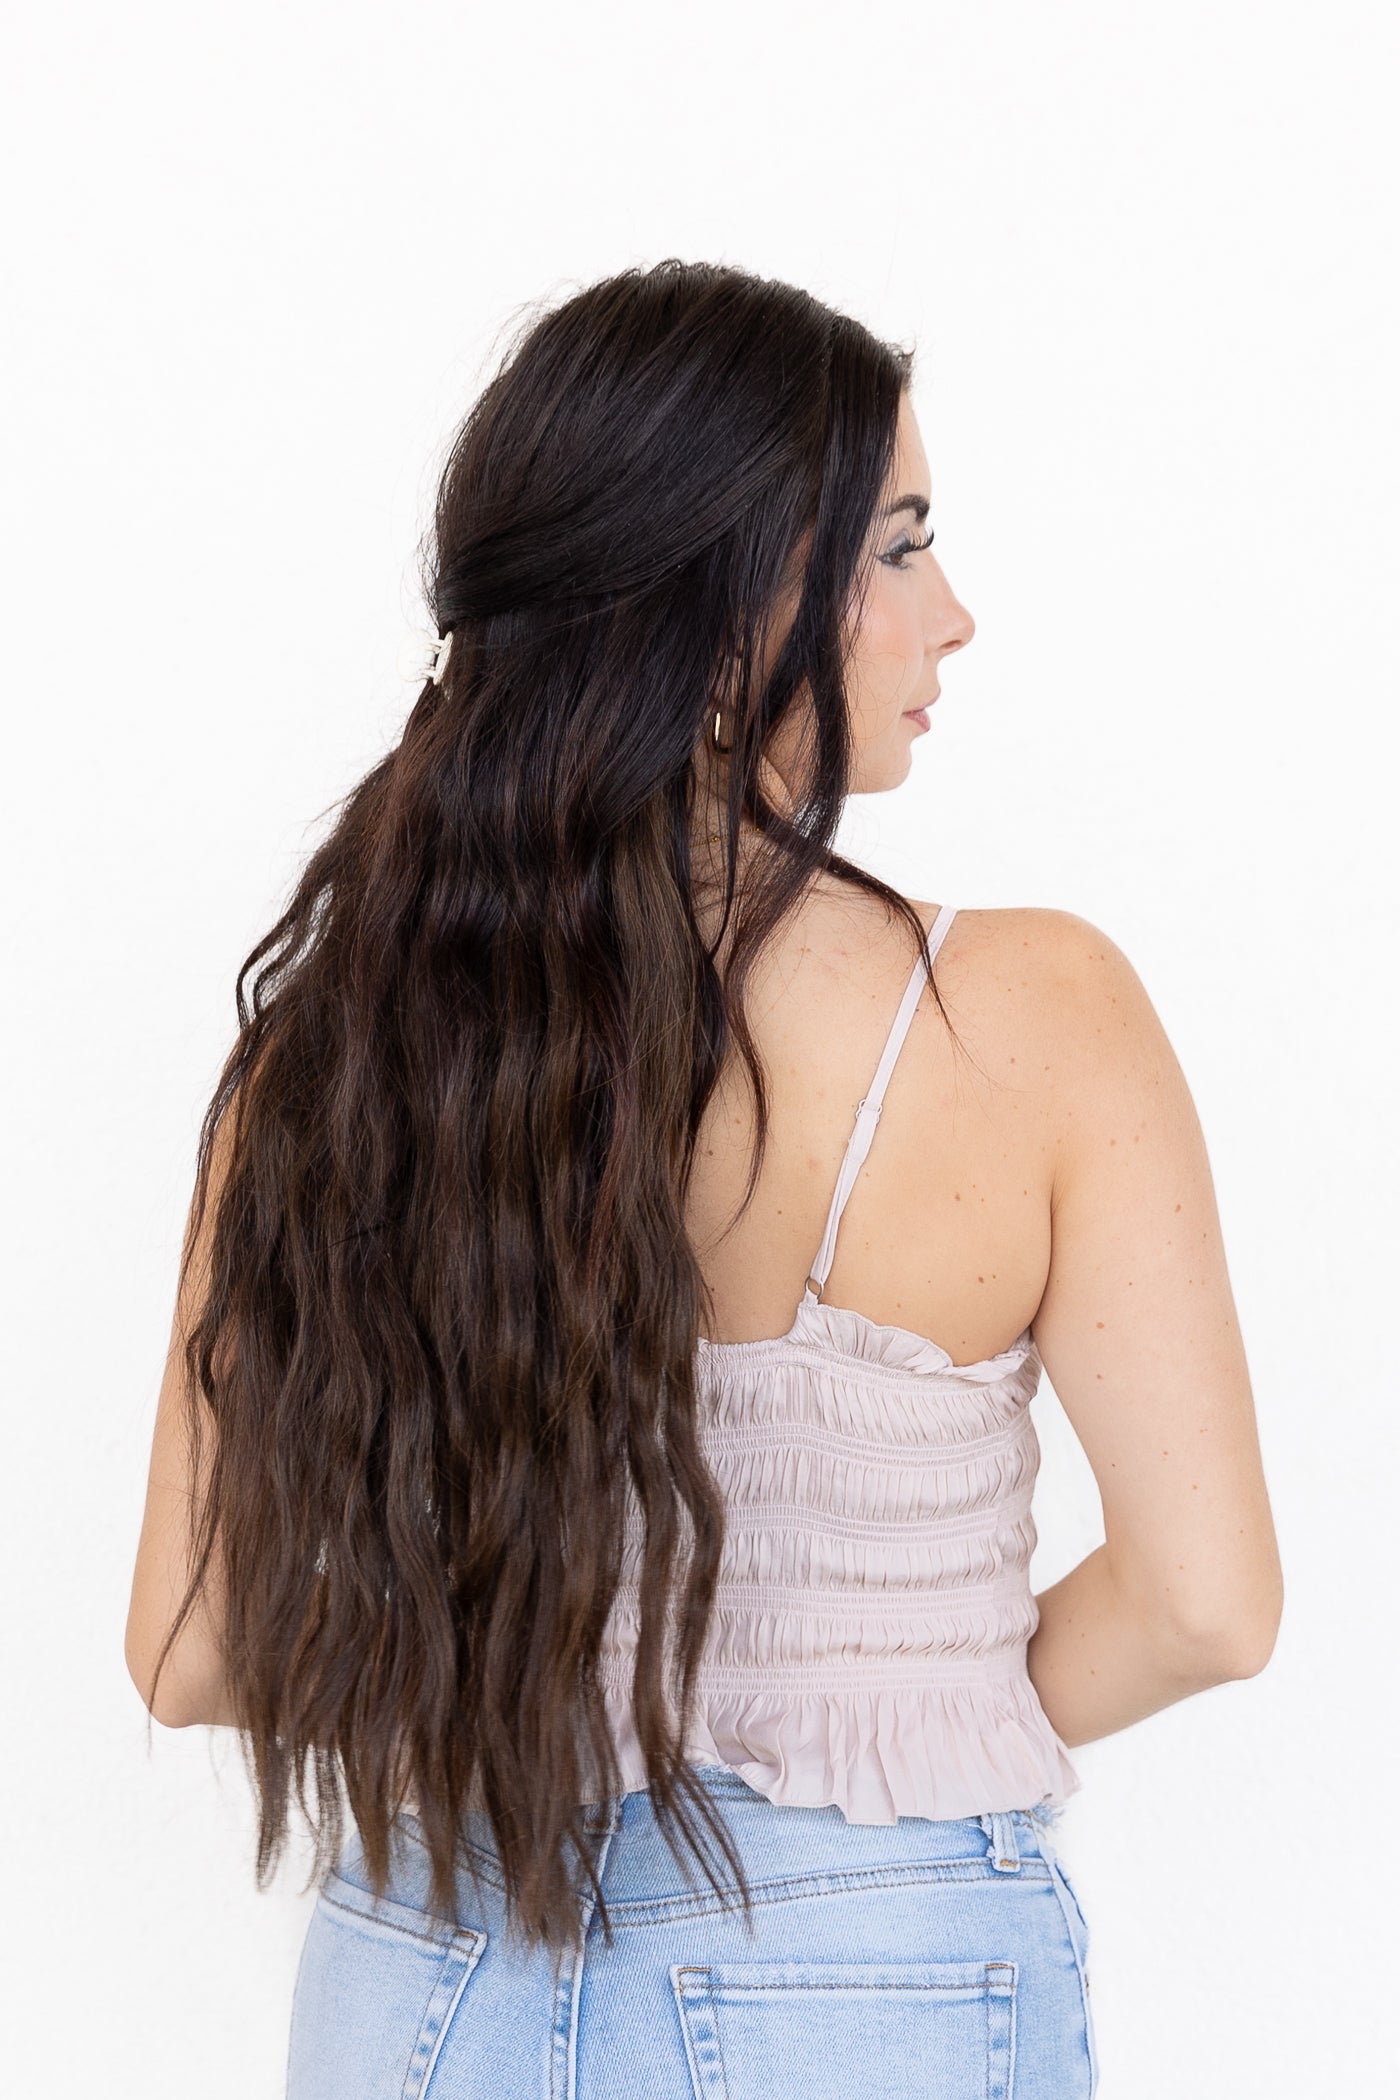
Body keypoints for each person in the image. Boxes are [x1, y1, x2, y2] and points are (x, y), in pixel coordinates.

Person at [124, 260, 1283, 2099]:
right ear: (729, 601)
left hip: (424, 1977)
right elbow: (1208, 1605)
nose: (954, 615)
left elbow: (192, 1649)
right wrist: (889, 1725)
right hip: (869, 1975)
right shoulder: (1030, 1013)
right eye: (900, 547)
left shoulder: (334, 1054)